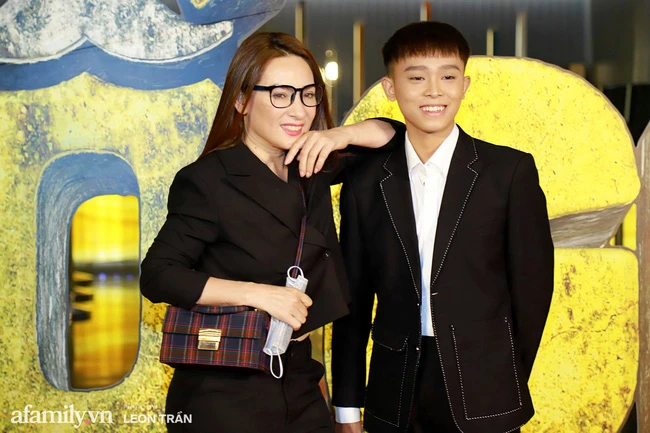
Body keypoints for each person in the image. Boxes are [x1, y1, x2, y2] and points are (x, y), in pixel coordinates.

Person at [139, 32, 395, 433]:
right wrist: (259, 295)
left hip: (299, 378)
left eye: (308, 95)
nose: (298, 110)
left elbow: (393, 138)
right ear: (241, 100)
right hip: (224, 387)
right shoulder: (209, 180)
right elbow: (158, 275)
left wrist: (337, 135)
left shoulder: (310, 165)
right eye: (280, 94)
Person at [330, 21, 555, 433]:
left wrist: (506, 378)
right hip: (392, 390)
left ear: (465, 85)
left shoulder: (508, 171)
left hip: (487, 388)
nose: (434, 91)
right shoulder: (365, 183)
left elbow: (533, 291)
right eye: (417, 78)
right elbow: (354, 301)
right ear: (390, 88)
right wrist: (347, 405)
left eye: (448, 77)